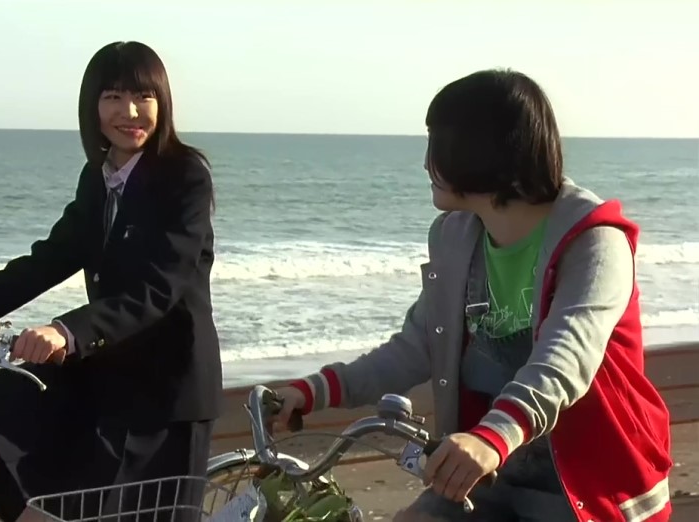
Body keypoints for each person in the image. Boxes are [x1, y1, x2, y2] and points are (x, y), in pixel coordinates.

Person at [268, 69, 673, 522]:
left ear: (482, 151)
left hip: (588, 481)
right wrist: (315, 390)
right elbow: (418, 346)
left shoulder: (594, 241)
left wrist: (492, 437)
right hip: (492, 473)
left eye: (437, 145)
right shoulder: (455, 236)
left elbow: (564, 360)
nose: (426, 164)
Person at [0, 41, 221, 522]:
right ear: (93, 106)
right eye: (113, 97)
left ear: (163, 102)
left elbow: (159, 287)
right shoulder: (98, 177)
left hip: (165, 392)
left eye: (144, 96)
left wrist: (65, 331)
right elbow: (51, 258)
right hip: (101, 374)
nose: (130, 112)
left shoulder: (185, 176)